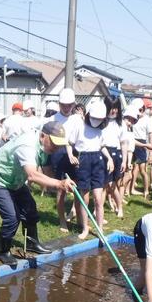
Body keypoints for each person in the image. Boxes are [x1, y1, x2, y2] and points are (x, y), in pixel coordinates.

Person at [0, 121, 76, 266]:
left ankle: (31, 243)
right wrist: (58, 183)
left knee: (30, 209)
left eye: (59, 144)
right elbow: (32, 175)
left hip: (15, 181)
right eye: (54, 143)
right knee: (12, 217)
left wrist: (60, 184)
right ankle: (3, 250)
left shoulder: (46, 147)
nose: (57, 147)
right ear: (43, 136)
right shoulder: (27, 146)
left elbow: (47, 170)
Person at [69, 99, 114, 239]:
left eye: (99, 119)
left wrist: (110, 158)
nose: (96, 121)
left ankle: (100, 228)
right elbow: (69, 143)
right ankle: (85, 228)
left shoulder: (101, 130)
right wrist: (71, 155)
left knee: (98, 199)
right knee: (85, 198)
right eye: (94, 118)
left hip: (98, 161)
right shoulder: (79, 126)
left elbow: (101, 146)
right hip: (83, 161)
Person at [47, 88, 83, 232]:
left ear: (73, 104)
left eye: (69, 105)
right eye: (63, 105)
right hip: (58, 153)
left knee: (77, 188)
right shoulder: (53, 119)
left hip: (74, 153)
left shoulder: (77, 119)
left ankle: (76, 213)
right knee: (61, 189)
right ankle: (62, 220)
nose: (66, 108)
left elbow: (80, 138)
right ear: (59, 103)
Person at [101, 96, 127, 219]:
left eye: (116, 108)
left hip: (116, 154)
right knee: (104, 183)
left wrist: (125, 161)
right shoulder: (101, 122)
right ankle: (99, 208)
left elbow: (124, 143)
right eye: (111, 108)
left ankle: (119, 206)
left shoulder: (121, 124)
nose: (113, 111)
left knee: (113, 184)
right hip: (103, 152)